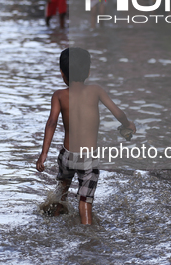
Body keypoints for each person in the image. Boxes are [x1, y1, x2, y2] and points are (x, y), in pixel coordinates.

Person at [36, 47, 135, 225]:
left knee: (62, 190)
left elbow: (51, 123)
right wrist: (127, 125)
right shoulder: (96, 91)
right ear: (88, 72)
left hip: (67, 156)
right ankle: (87, 235)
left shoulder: (59, 95)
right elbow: (117, 113)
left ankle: (55, 222)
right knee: (85, 201)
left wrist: (43, 154)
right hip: (88, 159)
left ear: (61, 73)